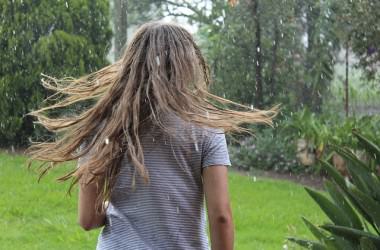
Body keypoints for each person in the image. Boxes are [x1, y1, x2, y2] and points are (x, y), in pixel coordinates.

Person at [28, 21, 277, 250]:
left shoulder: (104, 124)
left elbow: (88, 219)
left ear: (132, 64)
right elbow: (220, 216)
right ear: (188, 65)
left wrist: (130, 211)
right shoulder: (206, 126)